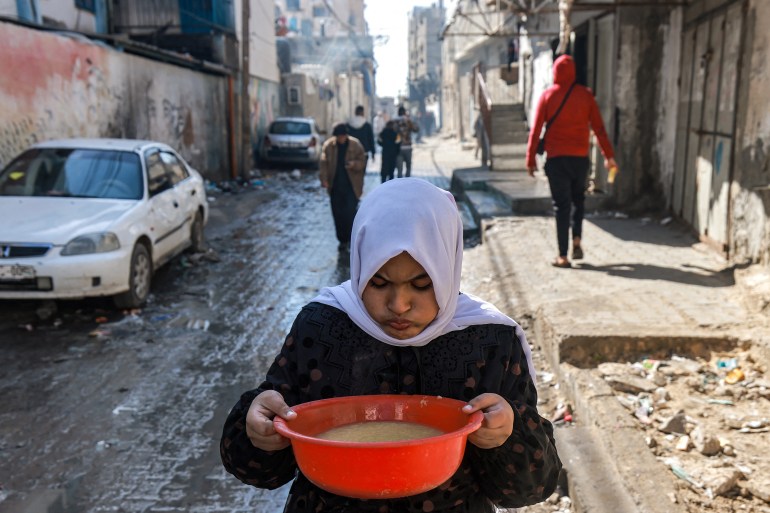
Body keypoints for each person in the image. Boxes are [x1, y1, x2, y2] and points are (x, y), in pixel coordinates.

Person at [220, 178, 562, 513]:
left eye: (421, 284)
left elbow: (531, 487)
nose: (399, 304)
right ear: (359, 267)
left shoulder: (488, 340)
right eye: (379, 282)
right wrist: (259, 429)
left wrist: (507, 434)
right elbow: (261, 468)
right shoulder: (321, 328)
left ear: (448, 268)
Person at [525, 54, 616, 269]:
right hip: (580, 160)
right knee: (579, 201)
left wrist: (530, 159)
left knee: (562, 206)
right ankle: (577, 239)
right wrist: (609, 156)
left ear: (555, 72)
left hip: (556, 160)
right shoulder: (586, 96)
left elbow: (536, 130)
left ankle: (563, 256)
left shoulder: (548, 96)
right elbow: (599, 128)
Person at [318, 123, 367, 252]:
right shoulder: (329, 146)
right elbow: (323, 164)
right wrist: (324, 179)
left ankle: (352, 239)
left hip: (352, 186)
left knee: (350, 214)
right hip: (335, 186)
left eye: (342, 136)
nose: (341, 139)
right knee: (338, 215)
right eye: (338, 136)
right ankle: (342, 240)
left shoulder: (355, 145)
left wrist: (353, 164)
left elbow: (362, 162)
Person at [394, 106, 419, 177]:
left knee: (399, 170)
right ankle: (407, 185)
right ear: (405, 113)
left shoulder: (395, 122)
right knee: (408, 167)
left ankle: (400, 186)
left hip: (398, 148)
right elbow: (416, 129)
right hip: (408, 147)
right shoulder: (408, 121)